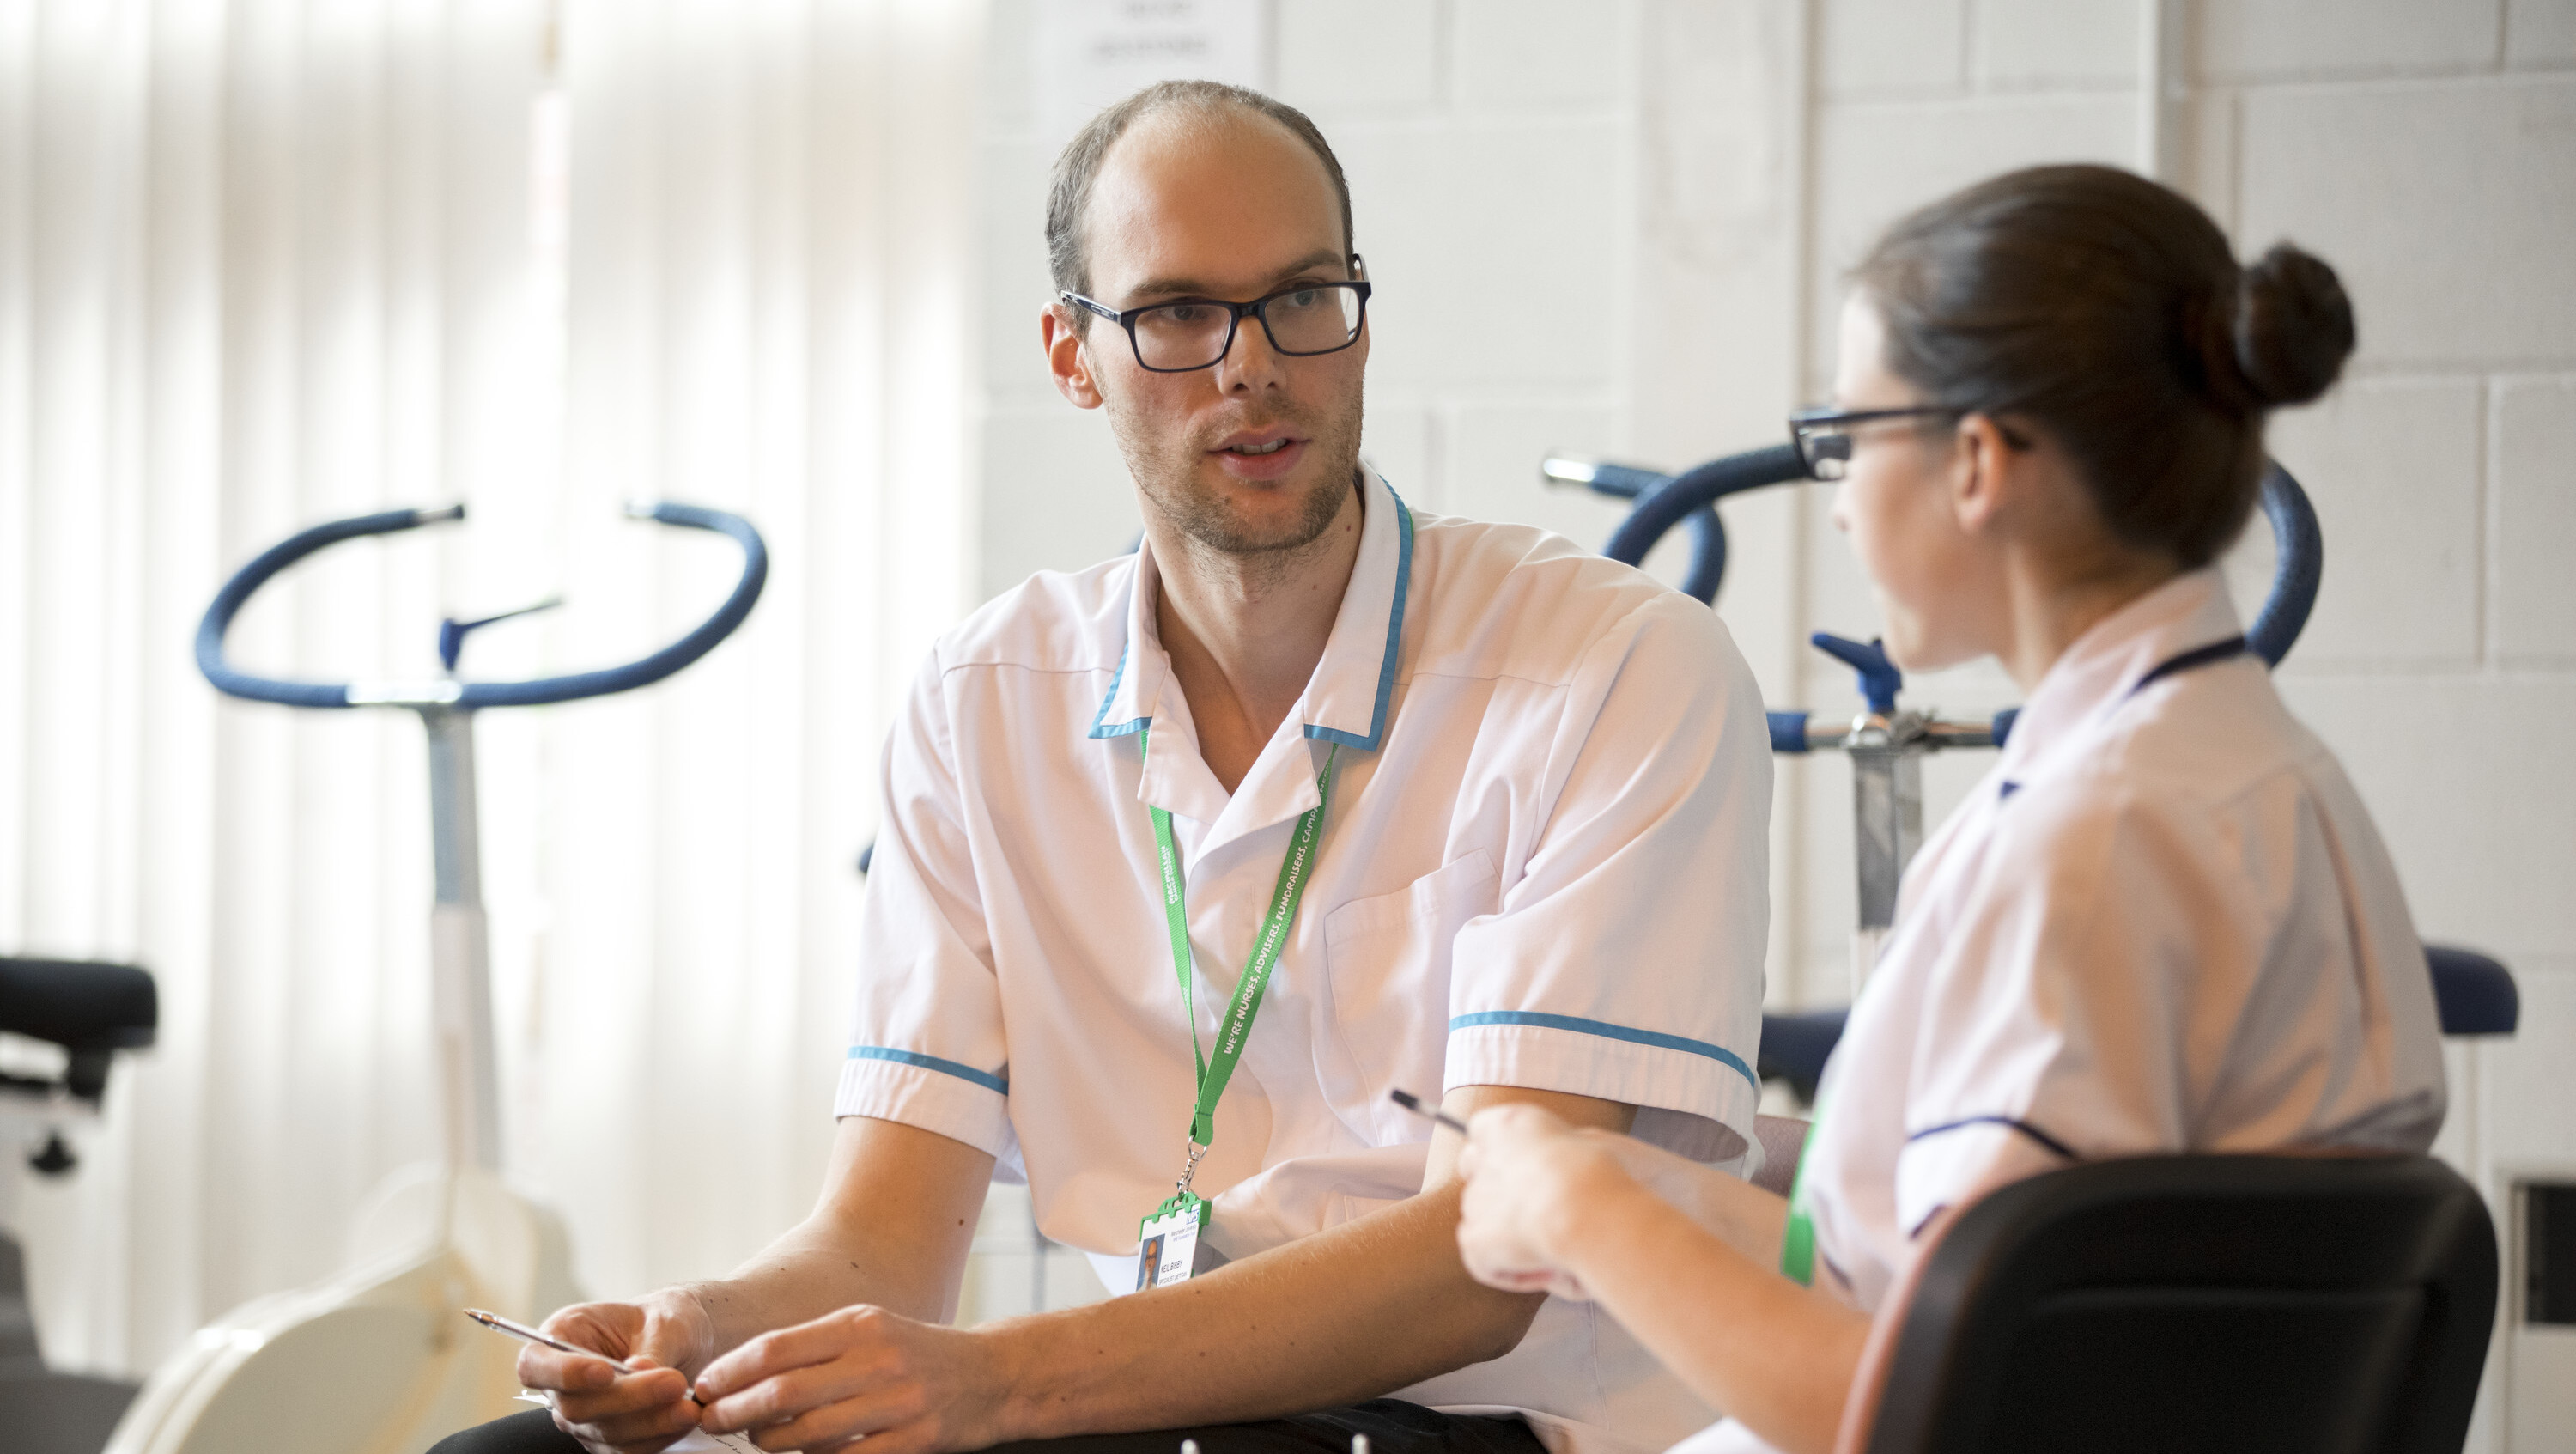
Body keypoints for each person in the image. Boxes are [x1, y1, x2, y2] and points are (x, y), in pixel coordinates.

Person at [434, 80, 1774, 1454]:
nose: (1253, 364)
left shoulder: (1619, 666)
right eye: (1179, 314)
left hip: (1482, 1419)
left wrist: (990, 1384)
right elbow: (884, 1247)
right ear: (1072, 356)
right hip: (1127, 1405)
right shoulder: (982, 699)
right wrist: (698, 1328)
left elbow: (1479, 1270)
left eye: (1304, 297)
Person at [1447, 163, 2446, 1454]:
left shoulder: (2083, 845)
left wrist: (1585, 1200)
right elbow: (1999, 1284)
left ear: (1976, 463)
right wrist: (1664, 1189)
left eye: (1851, 442)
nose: (1845, 500)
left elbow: (1910, 1409)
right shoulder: (2264, 781)